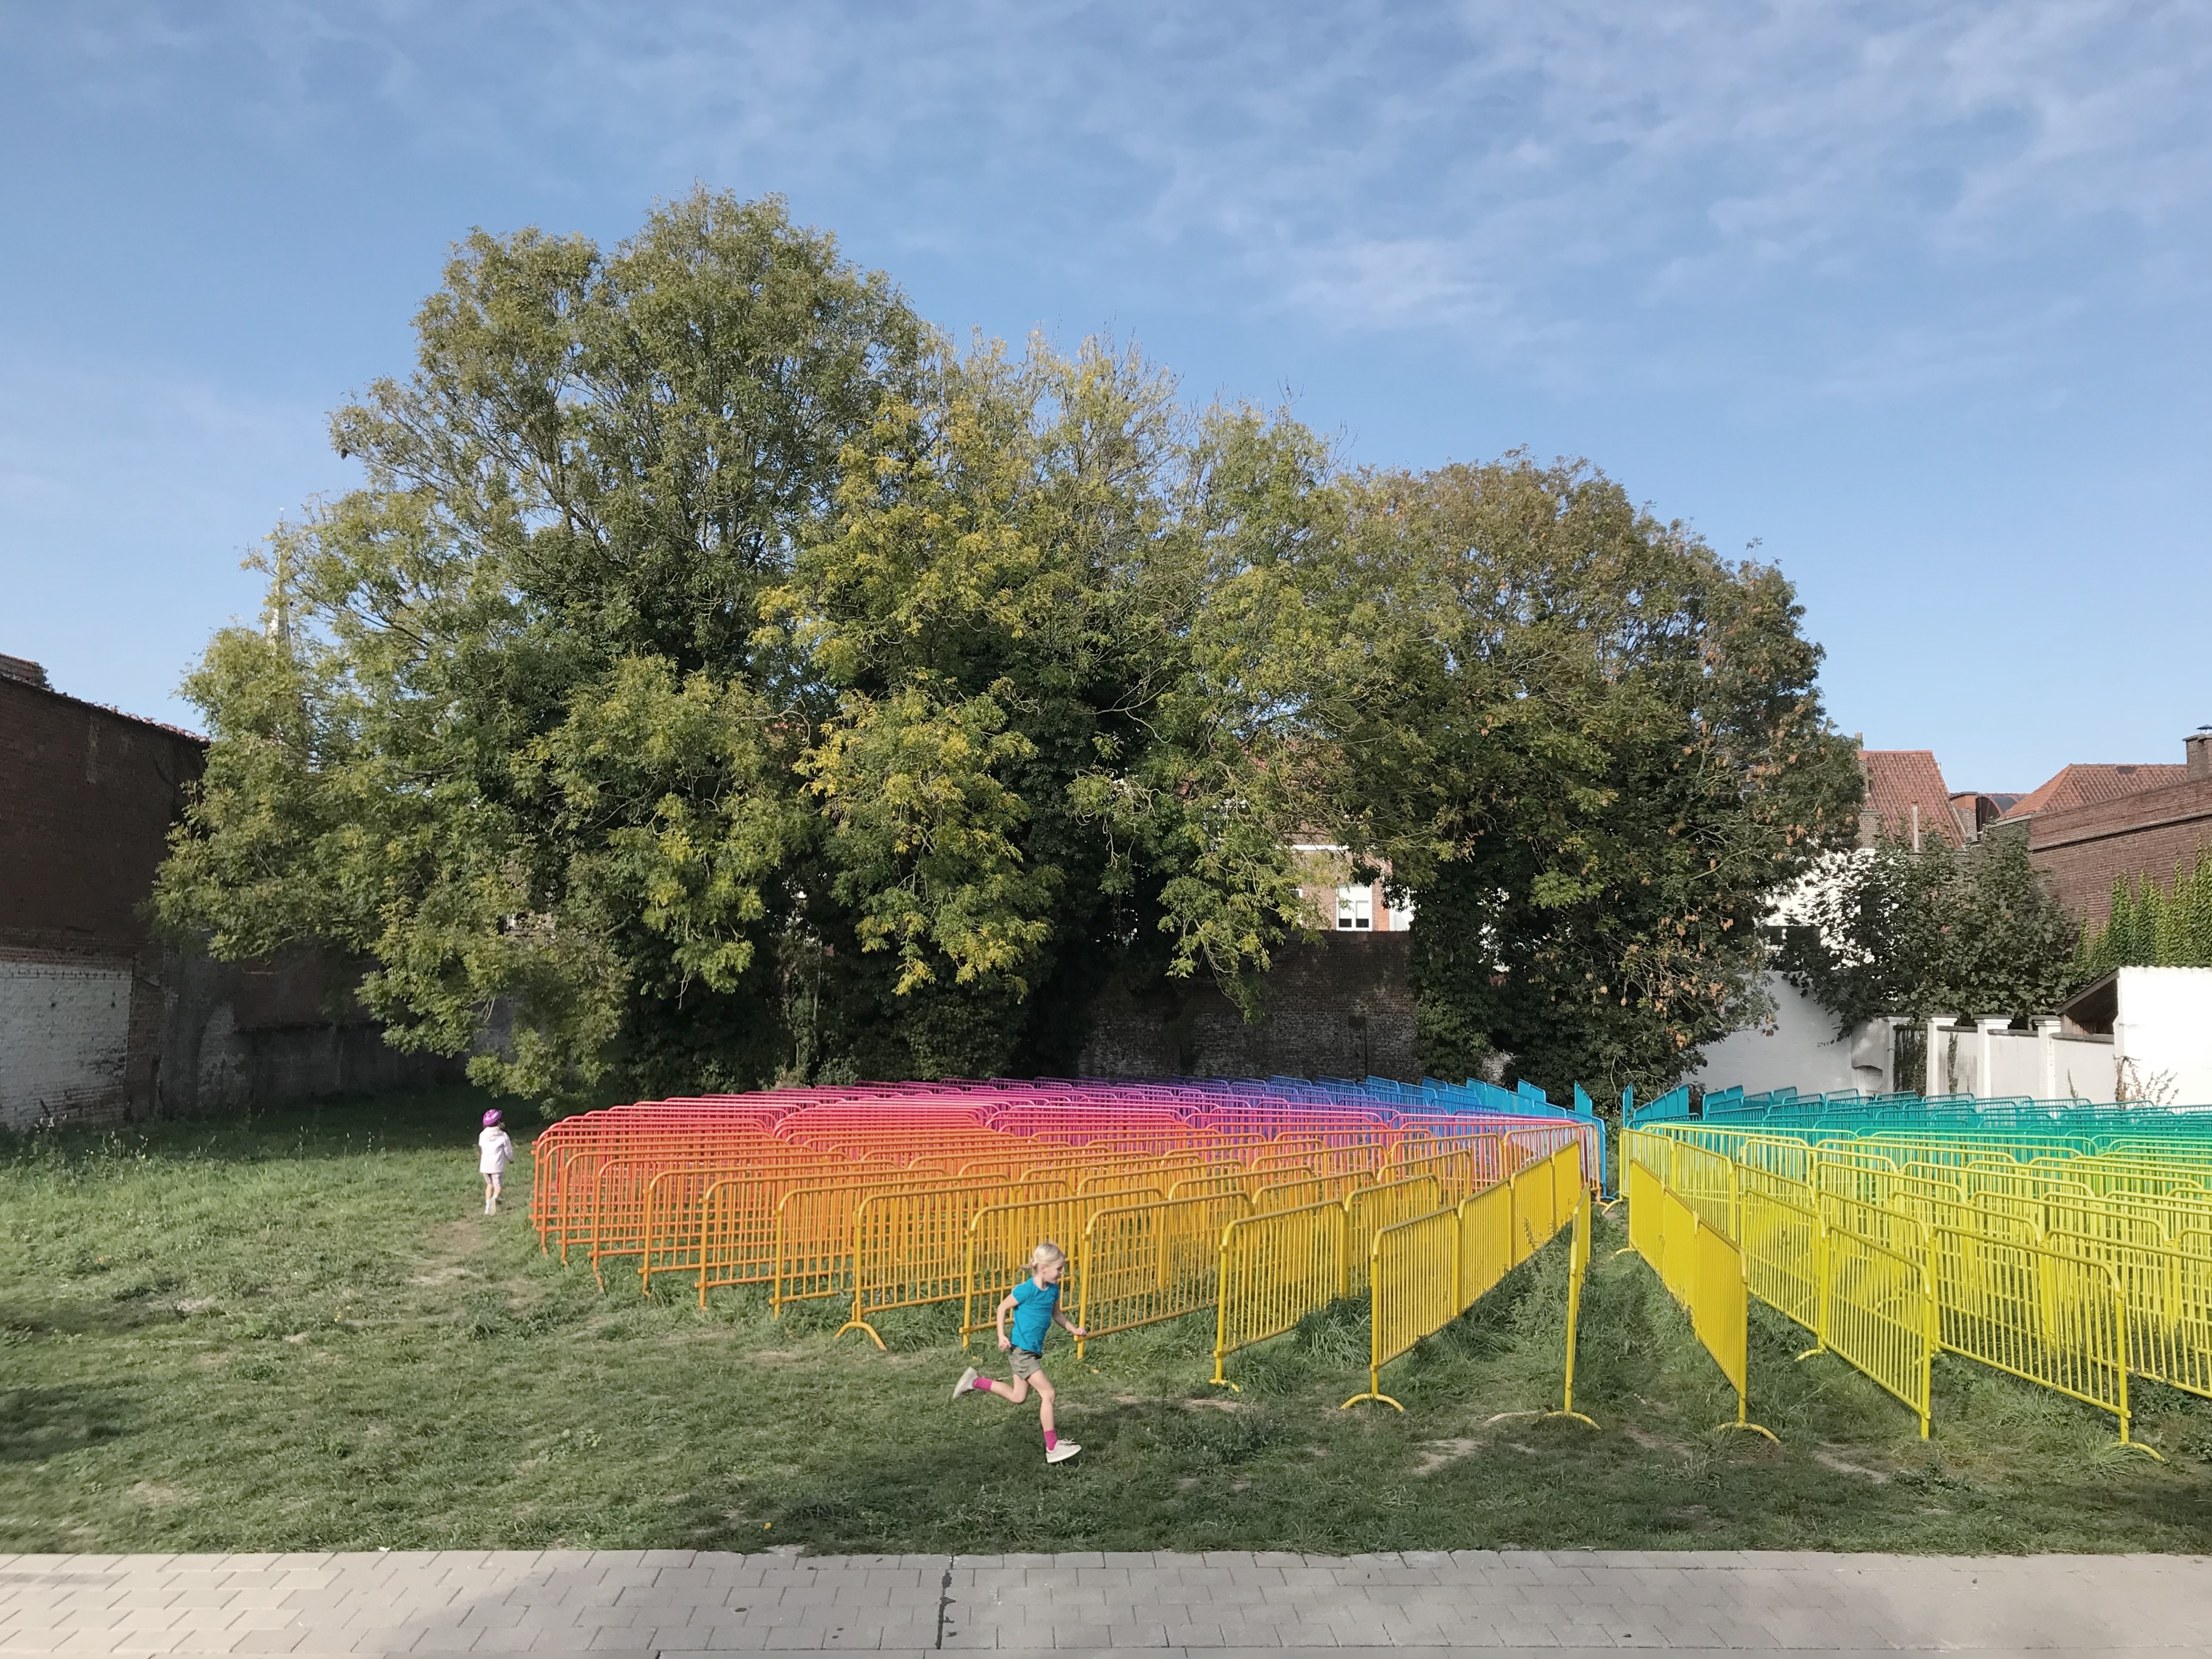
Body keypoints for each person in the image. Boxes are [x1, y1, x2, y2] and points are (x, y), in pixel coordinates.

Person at [953, 1240, 1085, 1463]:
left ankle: (975, 1382)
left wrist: (1074, 1329)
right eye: (1059, 1268)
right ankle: (1052, 1447)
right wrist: (1001, 1336)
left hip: (1031, 1351)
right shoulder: (1026, 1290)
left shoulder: (1052, 1290)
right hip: (1021, 1351)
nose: (1063, 1272)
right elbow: (1002, 1308)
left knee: (1018, 1396)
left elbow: (1057, 1315)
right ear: (1044, 1268)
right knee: (1048, 1394)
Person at [478, 1109, 515, 1215]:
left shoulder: (483, 1135)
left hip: (485, 1166)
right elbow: (508, 1151)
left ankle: (487, 1207)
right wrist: (511, 1160)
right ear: (499, 1122)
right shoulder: (503, 1136)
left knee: (489, 1185)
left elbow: (481, 1147)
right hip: (497, 1166)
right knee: (498, 1186)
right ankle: (495, 1198)